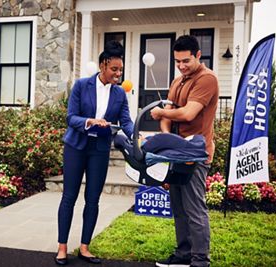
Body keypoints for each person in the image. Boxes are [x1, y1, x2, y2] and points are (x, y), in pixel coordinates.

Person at [55, 40, 134, 265]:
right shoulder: (81, 85)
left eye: (120, 69)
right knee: (69, 197)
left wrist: (136, 136)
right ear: (103, 66)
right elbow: (71, 118)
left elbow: (126, 121)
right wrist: (90, 121)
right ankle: (62, 247)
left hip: (99, 150)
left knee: (93, 199)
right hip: (75, 147)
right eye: (114, 69)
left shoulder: (119, 94)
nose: (118, 73)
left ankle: (84, 247)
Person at [150, 35, 219, 267]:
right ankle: (183, 255)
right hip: (176, 154)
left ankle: (200, 261)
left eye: (186, 61)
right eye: (177, 61)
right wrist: (168, 139)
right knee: (178, 208)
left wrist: (161, 114)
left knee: (194, 209)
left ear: (199, 55)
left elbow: (188, 113)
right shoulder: (177, 81)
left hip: (196, 155)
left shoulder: (207, 79)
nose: (181, 66)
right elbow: (169, 113)